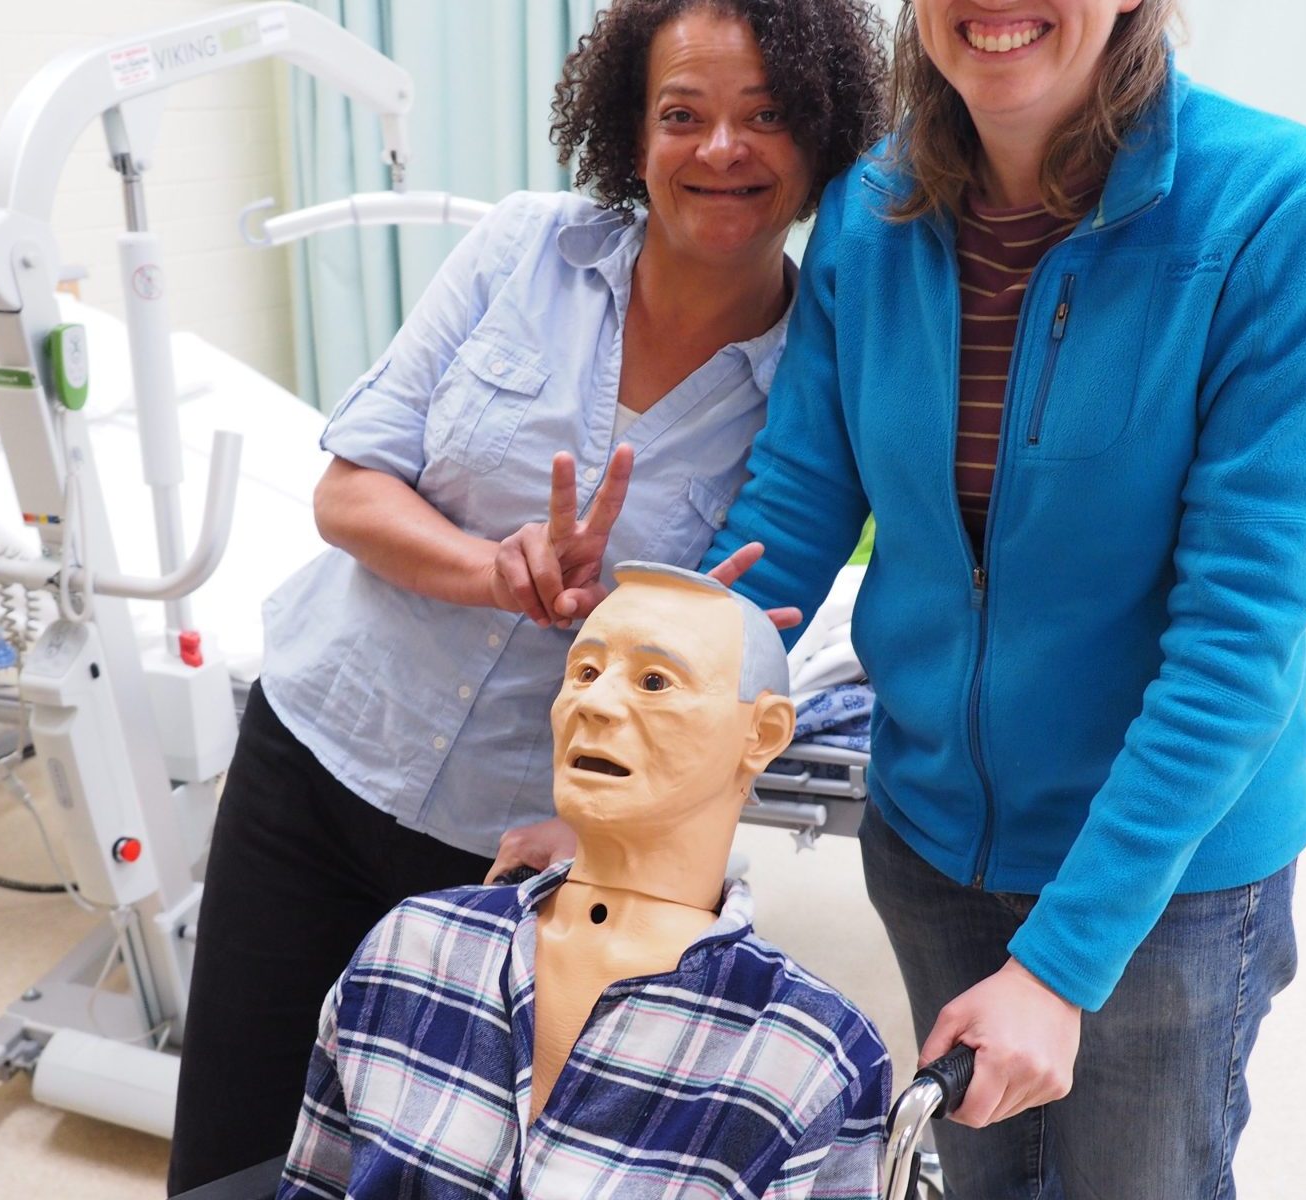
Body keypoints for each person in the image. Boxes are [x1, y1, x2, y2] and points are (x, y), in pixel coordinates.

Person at [165, 2, 888, 1191]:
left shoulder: (812, 386)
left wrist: (612, 832)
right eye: (682, 115)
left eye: (765, 117)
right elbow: (348, 492)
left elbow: (731, 656)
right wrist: (492, 569)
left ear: (820, 140)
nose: (721, 149)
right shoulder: (524, 250)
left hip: (506, 841)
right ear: (631, 134)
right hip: (321, 752)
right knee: (229, 1154)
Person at [686, 1, 1306, 1197]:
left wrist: (1060, 964)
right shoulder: (869, 210)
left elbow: (1239, 638)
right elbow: (787, 519)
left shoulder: (1274, 207)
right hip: (931, 836)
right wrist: (643, 764)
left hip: (1166, 880)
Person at [276, 563, 890, 1199]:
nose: (593, 703)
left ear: (763, 734)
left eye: (654, 681)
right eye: (586, 672)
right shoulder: (410, 947)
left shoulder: (813, 1052)